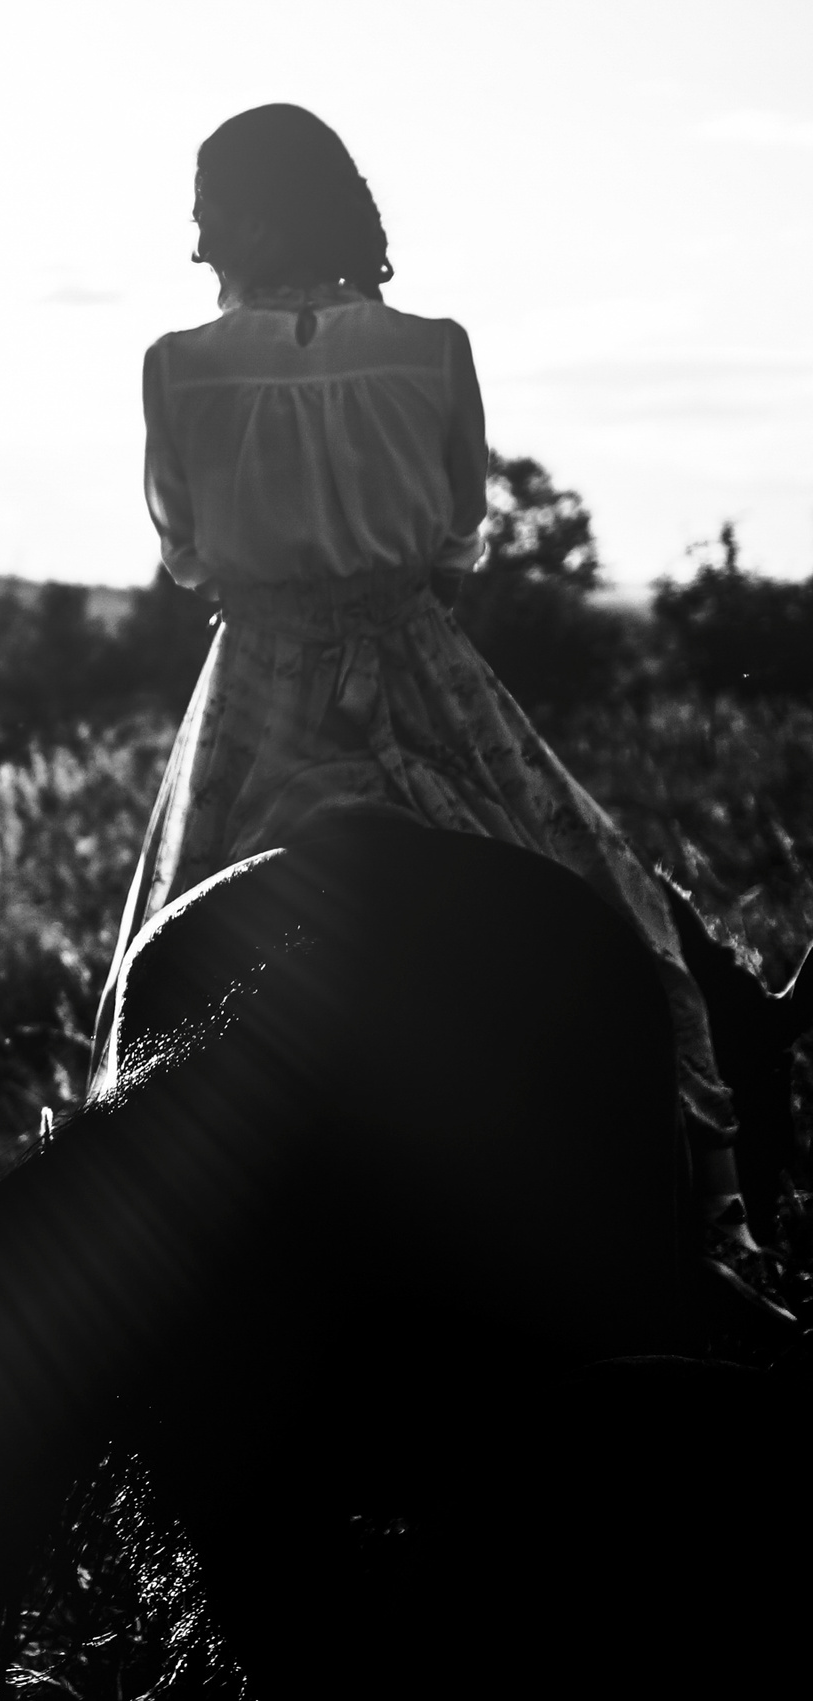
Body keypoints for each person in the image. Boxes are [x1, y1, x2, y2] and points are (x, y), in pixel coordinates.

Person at [104, 103, 762, 1268]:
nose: (197, 243)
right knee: (624, 919)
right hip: (417, 659)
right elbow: (459, 539)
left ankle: (111, 1256)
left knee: (143, 988)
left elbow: (186, 551)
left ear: (255, 212)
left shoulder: (174, 370)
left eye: (206, 211)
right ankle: (714, 1226)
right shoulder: (437, 348)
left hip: (254, 685)